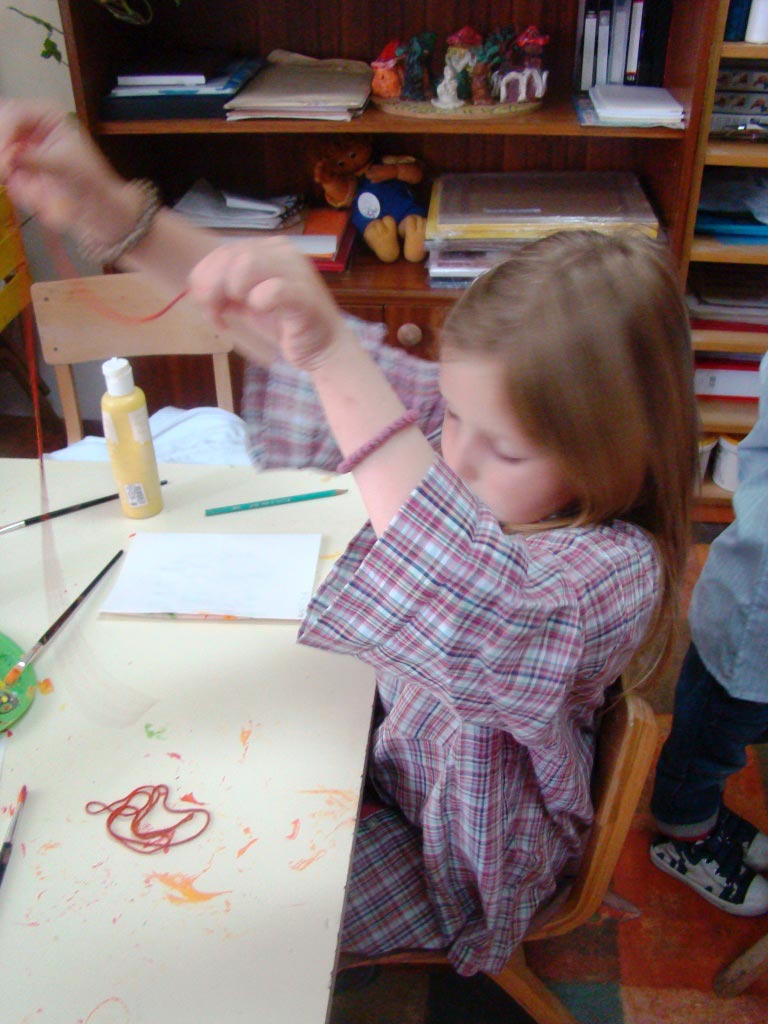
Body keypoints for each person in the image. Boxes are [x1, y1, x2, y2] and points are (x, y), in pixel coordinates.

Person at [0, 99, 699, 976]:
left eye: (507, 448)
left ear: (614, 458)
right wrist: (111, 212)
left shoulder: (617, 568)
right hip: (381, 754)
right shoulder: (482, 440)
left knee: (197, 929)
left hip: (452, 857)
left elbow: (477, 610)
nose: (454, 456)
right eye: (452, 416)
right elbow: (283, 331)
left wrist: (336, 357)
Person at [650, 350, 768, 917]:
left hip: (752, 632)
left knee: (730, 738)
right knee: (708, 747)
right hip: (748, 634)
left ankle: (703, 817)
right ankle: (685, 832)